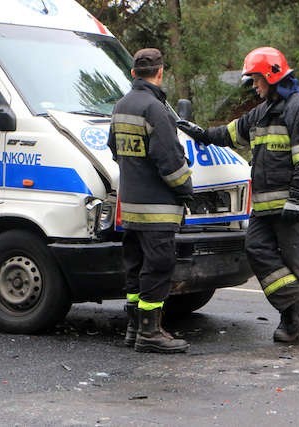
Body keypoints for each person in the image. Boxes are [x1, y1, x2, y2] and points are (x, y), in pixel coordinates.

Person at [178, 47, 299, 343]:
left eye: (256, 80)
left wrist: (296, 199)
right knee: (255, 248)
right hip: (265, 207)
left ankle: (291, 323)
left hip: (293, 206)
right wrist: (199, 133)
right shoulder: (262, 112)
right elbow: (230, 134)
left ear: (272, 75)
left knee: (295, 263)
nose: (254, 86)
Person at [108, 48, 193, 353]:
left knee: (135, 267)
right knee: (158, 267)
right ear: (160, 73)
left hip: (130, 208)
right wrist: (186, 189)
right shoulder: (156, 110)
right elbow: (169, 161)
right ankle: (150, 333)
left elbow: (115, 151)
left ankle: (133, 328)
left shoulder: (120, 106)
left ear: (133, 73)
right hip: (157, 210)